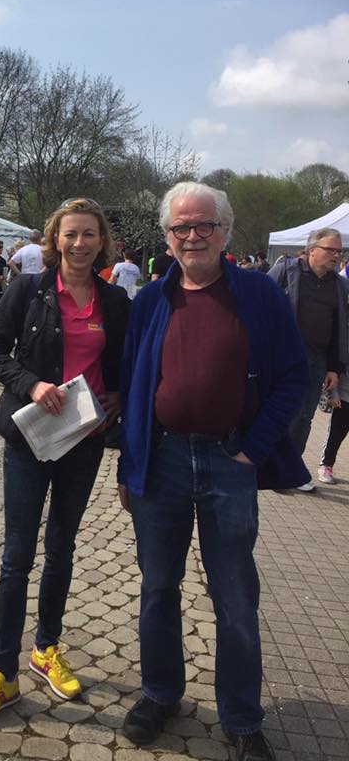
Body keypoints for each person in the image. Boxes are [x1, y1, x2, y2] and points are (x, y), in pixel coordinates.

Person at [118, 182, 310, 761]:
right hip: (163, 460)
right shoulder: (152, 299)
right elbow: (132, 386)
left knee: (234, 595)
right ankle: (160, 694)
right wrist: (131, 466)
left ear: (225, 231)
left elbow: (294, 379)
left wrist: (253, 449)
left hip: (230, 462)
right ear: (167, 237)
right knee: (157, 588)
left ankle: (242, 718)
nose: (193, 235)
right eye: (181, 227)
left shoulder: (257, 294)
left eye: (204, 225)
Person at [0, 199, 130, 728]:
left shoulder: (116, 299)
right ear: (54, 240)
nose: (79, 244)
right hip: (33, 436)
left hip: (83, 438)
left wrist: (117, 401)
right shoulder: (28, 290)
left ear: (102, 241)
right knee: (17, 556)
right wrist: (31, 384)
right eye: (70, 235)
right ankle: (3, 673)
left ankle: (46, 649)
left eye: (89, 235)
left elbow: (122, 363)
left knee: (62, 548)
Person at [268, 227, 348, 491]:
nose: (336, 255)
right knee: (277, 411)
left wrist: (335, 367)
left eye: (339, 251)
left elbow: (340, 328)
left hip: (317, 360)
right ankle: (266, 466)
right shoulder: (287, 271)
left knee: (304, 417)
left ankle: (289, 469)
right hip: (283, 355)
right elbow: (261, 304)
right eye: (331, 250)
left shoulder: (338, 284)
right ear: (312, 250)